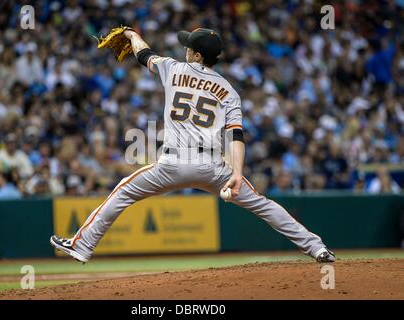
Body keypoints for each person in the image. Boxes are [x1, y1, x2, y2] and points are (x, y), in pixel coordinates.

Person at [51, 28, 335, 263]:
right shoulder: (229, 90)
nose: (184, 48)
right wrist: (237, 173)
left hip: (172, 164)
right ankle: (316, 247)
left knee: (123, 191)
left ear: (197, 55)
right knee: (262, 205)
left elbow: (143, 54)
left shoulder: (173, 69)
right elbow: (236, 135)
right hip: (213, 167)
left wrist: (130, 33)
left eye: (189, 46)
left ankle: (83, 245)